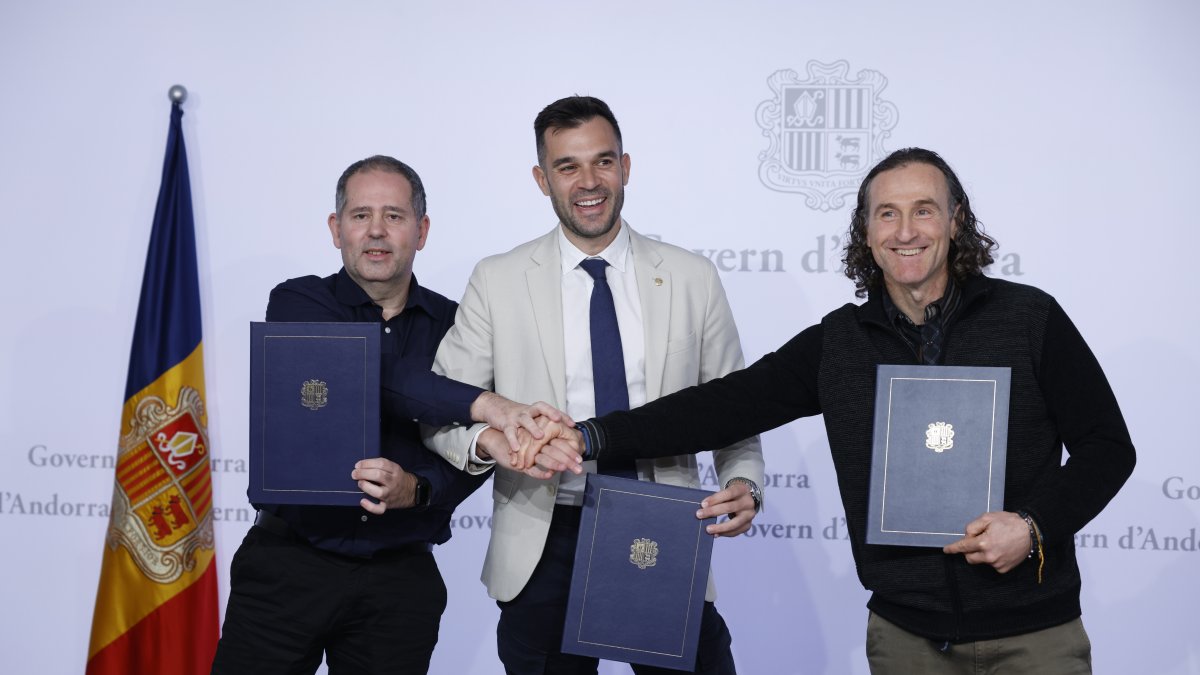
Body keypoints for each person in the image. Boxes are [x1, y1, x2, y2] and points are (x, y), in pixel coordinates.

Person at [518, 148, 1136, 674]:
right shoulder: (839, 343)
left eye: (924, 210)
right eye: (886, 214)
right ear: (864, 232)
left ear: (955, 220)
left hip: (1036, 635)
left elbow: (1108, 447)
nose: (905, 230)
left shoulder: (1030, 319)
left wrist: (1031, 526)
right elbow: (722, 406)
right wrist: (590, 434)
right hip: (906, 640)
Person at [422, 96, 765, 674]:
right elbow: (439, 410)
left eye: (603, 162)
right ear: (541, 179)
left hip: (663, 527)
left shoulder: (691, 278)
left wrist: (744, 483)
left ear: (626, 167)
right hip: (543, 537)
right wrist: (490, 442)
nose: (589, 182)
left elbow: (733, 410)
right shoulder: (498, 280)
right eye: (567, 166)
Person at [211, 155, 570, 675]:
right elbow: (372, 374)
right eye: (360, 215)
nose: (376, 231)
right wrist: (484, 402)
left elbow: (470, 447)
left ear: (421, 231)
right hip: (287, 567)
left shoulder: (458, 325)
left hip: (400, 579)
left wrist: (419, 490)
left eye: (395, 216)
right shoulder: (298, 301)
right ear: (336, 229)